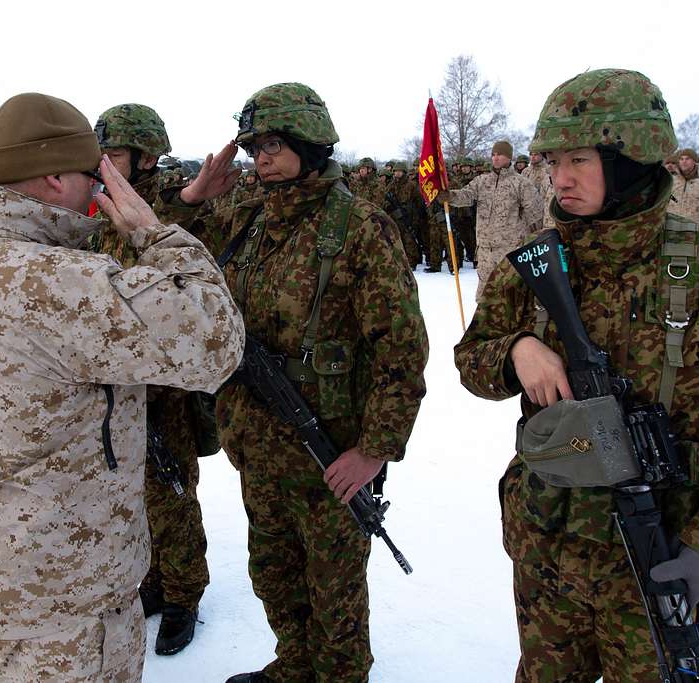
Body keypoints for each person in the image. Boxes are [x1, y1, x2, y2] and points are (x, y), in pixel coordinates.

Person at [453, 68, 699, 682]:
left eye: (580, 160)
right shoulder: (536, 261)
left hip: (656, 556)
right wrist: (516, 349)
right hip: (549, 545)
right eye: (553, 160)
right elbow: (471, 360)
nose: (560, 178)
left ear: (631, 159)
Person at [0, 92, 245, 682]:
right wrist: (155, 234)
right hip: (70, 602)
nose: (99, 189)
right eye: (92, 173)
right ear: (55, 177)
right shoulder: (67, 285)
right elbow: (213, 343)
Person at [217, 82, 428, 683]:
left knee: (334, 593)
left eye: (274, 146)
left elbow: (402, 351)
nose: (261, 159)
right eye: (254, 148)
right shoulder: (249, 220)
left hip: (331, 454)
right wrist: (193, 194)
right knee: (273, 573)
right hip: (258, 443)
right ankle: (294, 665)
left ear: (311, 146)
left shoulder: (360, 226)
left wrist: (374, 450)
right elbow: (175, 245)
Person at [92, 102, 239, 655]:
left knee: (173, 491)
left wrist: (192, 196)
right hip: (114, 381)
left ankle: (184, 594)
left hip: (163, 383)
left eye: (116, 153)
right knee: (132, 492)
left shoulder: (172, 208)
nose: (104, 161)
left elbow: (179, 219)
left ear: (147, 156)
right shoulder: (97, 206)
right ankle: (153, 580)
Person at [440, 139, 544, 299]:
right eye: (493, 155)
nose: (495, 158)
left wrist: (532, 245)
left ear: (509, 157)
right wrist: (449, 196)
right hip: (485, 251)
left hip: (510, 252)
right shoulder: (482, 181)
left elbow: (536, 216)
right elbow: (466, 196)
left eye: (500, 155)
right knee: (484, 298)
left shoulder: (521, 184)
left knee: (510, 297)